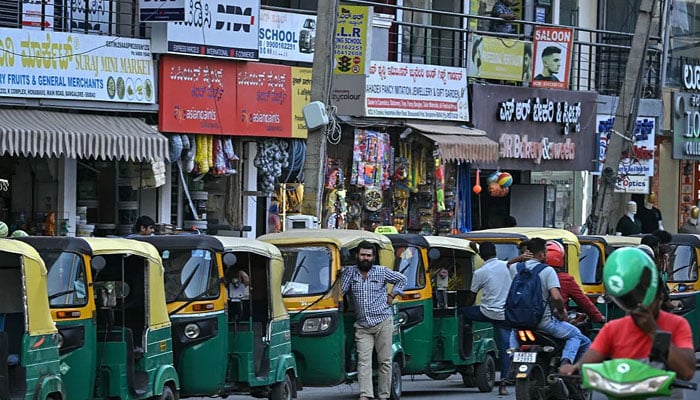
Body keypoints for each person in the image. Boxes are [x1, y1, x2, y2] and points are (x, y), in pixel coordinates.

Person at [559, 248, 695, 389]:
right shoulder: (613, 328)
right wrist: (574, 368)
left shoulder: (677, 324)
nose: (638, 307)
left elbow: (686, 372)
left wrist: (653, 330)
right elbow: (592, 356)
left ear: (660, 298)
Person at [508, 238, 591, 367]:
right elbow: (556, 297)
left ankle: (512, 359)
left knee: (514, 332)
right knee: (577, 335)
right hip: (543, 323)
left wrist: (520, 258)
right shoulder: (547, 271)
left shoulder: (515, 268)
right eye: (545, 252)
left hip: (518, 321)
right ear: (541, 254)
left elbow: (508, 265)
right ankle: (566, 363)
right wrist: (562, 312)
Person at [340, 241, 407, 400]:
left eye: (368, 255)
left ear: (373, 257)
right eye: (362, 254)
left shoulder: (381, 271)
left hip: (382, 322)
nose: (365, 258)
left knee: (385, 361)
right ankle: (366, 395)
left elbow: (402, 279)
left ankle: (383, 396)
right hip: (362, 326)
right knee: (363, 362)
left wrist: (392, 295)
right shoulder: (350, 273)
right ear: (357, 255)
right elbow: (340, 292)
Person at [460, 241, 513, 395]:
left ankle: (467, 345)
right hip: (504, 316)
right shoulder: (506, 266)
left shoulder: (480, 272)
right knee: (505, 350)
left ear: (481, 256)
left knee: (463, 313)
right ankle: (503, 384)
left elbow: (471, 296)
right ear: (495, 252)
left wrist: (463, 306)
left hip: (486, 313)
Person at [545, 240, 605, 324]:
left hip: (530, 320)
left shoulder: (533, 274)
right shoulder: (565, 279)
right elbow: (583, 301)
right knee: (580, 337)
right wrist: (599, 318)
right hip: (552, 322)